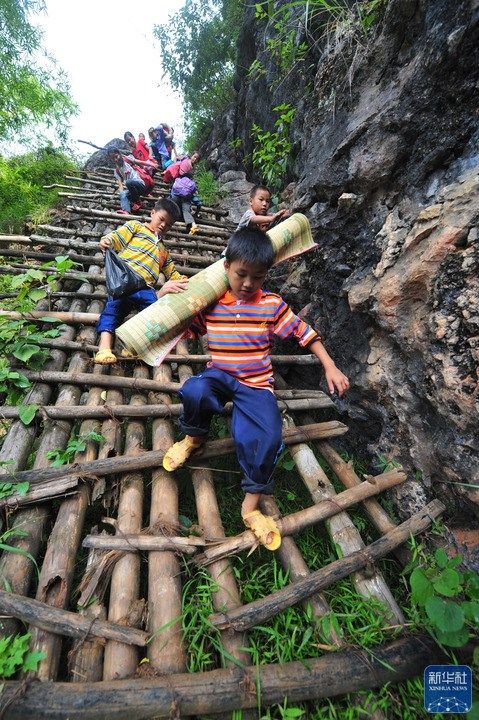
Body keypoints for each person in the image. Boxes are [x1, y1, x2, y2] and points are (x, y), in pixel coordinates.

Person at [162, 228, 349, 549]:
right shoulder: (211, 302)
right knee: (194, 390)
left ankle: (250, 507)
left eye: (257, 277)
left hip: (256, 384)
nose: (248, 283)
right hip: (219, 375)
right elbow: (181, 327)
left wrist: (330, 365)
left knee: (267, 436)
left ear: (266, 276)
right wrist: (164, 295)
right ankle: (193, 438)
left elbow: (304, 333)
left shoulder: (271, 304)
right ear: (226, 268)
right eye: (241, 274)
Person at [94, 199, 187, 364]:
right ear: (152, 213)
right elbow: (118, 237)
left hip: (145, 287)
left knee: (155, 315)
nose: (164, 225)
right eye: (161, 219)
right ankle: (104, 348)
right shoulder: (136, 226)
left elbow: (171, 272)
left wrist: (182, 280)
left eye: (169, 224)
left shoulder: (163, 250)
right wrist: (107, 240)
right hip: (125, 281)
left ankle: (132, 347)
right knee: (112, 311)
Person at [108, 147, 147, 214]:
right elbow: (120, 185)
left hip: (141, 185)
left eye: (116, 156)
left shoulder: (127, 159)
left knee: (128, 182)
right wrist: (122, 195)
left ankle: (137, 202)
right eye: (113, 158)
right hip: (132, 189)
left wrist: (152, 164)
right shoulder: (117, 171)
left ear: (119, 153)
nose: (115, 159)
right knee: (123, 193)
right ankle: (126, 211)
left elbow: (140, 162)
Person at [170, 151, 201, 235]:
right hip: (186, 195)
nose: (195, 159)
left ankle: (169, 218)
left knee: (173, 203)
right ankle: (193, 225)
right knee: (186, 210)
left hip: (177, 192)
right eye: (194, 157)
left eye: (196, 158)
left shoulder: (179, 179)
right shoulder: (192, 180)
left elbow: (173, 189)